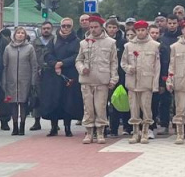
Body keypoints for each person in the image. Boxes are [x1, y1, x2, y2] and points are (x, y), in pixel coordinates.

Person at [77, 15, 119, 144]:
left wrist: (113, 79)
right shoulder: (83, 43)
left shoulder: (110, 42)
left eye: (96, 27)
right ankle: (89, 132)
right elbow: (78, 60)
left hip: (102, 80)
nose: (93, 30)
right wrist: (82, 68)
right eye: (91, 27)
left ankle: (100, 132)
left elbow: (113, 62)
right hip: (86, 80)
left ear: (102, 27)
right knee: (88, 108)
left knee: (100, 108)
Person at [40, 18, 82, 136]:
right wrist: (55, 64)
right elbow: (47, 54)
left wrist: (62, 63)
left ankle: (68, 128)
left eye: (68, 26)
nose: (66, 28)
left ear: (72, 27)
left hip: (69, 74)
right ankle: (54, 127)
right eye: (64, 26)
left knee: (68, 101)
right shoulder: (53, 40)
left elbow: (77, 56)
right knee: (54, 101)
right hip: (54, 75)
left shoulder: (77, 41)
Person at [122, 21, 161, 143]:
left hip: (146, 82)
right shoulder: (128, 46)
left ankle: (145, 131)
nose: (140, 32)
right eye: (138, 30)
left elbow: (157, 67)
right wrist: (128, 68)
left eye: (143, 30)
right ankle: (135, 132)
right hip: (132, 83)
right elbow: (123, 62)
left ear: (147, 31)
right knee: (133, 109)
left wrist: (155, 84)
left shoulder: (155, 45)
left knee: (146, 108)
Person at [2, 26, 38, 136]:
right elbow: (4, 65)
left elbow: (34, 65)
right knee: (13, 104)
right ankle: (15, 126)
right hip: (11, 80)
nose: (20, 35)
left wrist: (33, 81)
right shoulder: (8, 48)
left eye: (22, 33)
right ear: (14, 35)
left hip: (25, 80)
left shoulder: (29, 48)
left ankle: (22, 126)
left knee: (23, 103)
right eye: (18, 33)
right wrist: (4, 81)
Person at [105, 18, 131, 137]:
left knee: (123, 101)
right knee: (109, 104)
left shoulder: (123, 42)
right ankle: (112, 128)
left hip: (121, 76)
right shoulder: (103, 41)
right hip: (106, 75)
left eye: (114, 27)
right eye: (109, 27)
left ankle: (127, 126)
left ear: (117, 29)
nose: (112, 30)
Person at [29, 21, 56, 131]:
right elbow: (32, 58)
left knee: (53, 97)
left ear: (52, 29)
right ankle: (37, 121)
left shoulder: (55, 41)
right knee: (37, 97)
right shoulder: (35, 43)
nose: (46, 30)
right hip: (39, 73)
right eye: (44, 28)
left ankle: (54, 123)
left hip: (52, 72)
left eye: (48, 28)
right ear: (41, 29)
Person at [158, 16, 181, 132]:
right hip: (165, 70)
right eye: (170, 23)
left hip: (179, 71)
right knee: (165, 100)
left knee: (179, 100)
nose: (172, 25)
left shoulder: (182, 37)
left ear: (178, 23)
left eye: (174, 23)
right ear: (167, 24)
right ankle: (164, 124)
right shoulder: (162, 38)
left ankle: (178, 124)